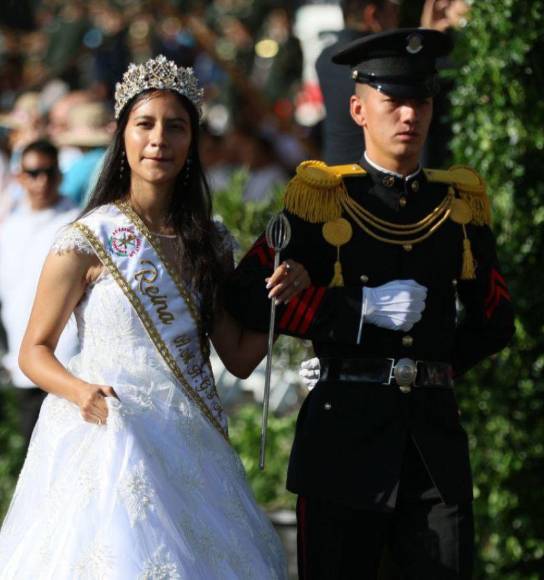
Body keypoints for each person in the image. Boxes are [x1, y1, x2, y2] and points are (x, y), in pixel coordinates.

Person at [0, 55, 310, 578]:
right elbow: (33, 350)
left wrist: (284, 298)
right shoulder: (86, 240)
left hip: (189, 448)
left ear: (192, 142)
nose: (158, 139)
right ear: (122, 136)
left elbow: (236, 356)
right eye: (144, 124)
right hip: (106, 440)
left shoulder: (210, 243)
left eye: (175, 126)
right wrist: (80, 392)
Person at [226, 29, 515, 579]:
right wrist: (352, 312)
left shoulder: (457, 203)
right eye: (394, 101)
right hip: (343, 439)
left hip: (432, 443)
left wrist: (434, 366)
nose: (410, 115)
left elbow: (496, 319)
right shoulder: (320, 198)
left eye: (421, 100)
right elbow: (247, 296)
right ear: (359, 109)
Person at [0, 139, 79, 448]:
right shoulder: (10, 229)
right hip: (23, 359)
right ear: (20, 177)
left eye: (48, 172)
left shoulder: (75, 223)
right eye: (33, 173)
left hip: (67, 359)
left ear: (59, 175)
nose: (41, 180)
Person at [315, 0, 400, 165]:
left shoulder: (325, 57)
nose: (397, 20)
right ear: (372, 15)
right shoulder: (380, 63)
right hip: (373, 179)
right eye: (394, 11)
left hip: (335, 174)